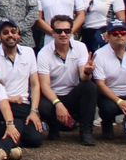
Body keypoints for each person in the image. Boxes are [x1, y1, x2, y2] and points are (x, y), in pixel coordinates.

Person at [37, 15, 98, 146]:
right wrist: (58, 103)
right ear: (53, 32)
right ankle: (54, 128)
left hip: (72, 95)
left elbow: (83, 77)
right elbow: (44, 85)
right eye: (59, 31)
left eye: (67, 31)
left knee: (90, 86)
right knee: (43, 106)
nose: (63, 34)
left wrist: (87, 71)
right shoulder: (43, 53)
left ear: (72, 32)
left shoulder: (81, 47)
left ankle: (86, 132)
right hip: (53, 96)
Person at [0, 18, 46, 150]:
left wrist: (34, 111)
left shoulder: (29, 53)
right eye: (5, 32)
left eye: (13, 31)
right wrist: (9, 98)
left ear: (18, 34)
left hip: (23, 105)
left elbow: (35, 84)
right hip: (1, 106)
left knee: (35, 139)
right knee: (18, 124)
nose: (10, 35)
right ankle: (5, 149)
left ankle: (10, 139)